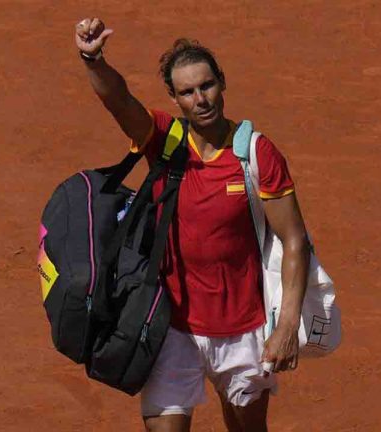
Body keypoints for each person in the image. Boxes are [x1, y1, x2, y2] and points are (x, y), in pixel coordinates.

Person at [75, 17, 310, 432]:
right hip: (171, 330)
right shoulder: (164, 140)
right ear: (175, 98)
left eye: (207, 86)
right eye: (187, 91)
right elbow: (119, 100)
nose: (200, 99)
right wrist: (93, 59)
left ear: (222, 82)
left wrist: (288, 324)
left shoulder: (255, 154)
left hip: (244, 332)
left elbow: (294, 239)